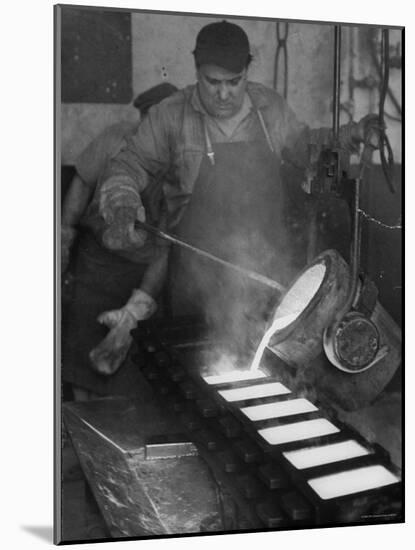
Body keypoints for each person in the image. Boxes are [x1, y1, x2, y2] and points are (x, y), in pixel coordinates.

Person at [90, 20, 383, 363]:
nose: (224, 93)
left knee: (272, 369)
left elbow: (309, 153)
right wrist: (123, 202)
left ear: (248, 71)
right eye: (213, 82)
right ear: (197, 70)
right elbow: (127, 165)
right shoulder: (171, 116)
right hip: (196, 281)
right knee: (202, 374)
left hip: (265, 271)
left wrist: (350, 137)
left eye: (235, 81)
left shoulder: (268, 108)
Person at [61, 82, 178, 400]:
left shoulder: (180, 168)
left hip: (139, 274)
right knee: (80, 362)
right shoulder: (115, 140)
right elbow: (82, 186)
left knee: (126, 373)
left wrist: (135, 309)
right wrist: (63, 236)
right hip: (95, 263)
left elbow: (163, 248)